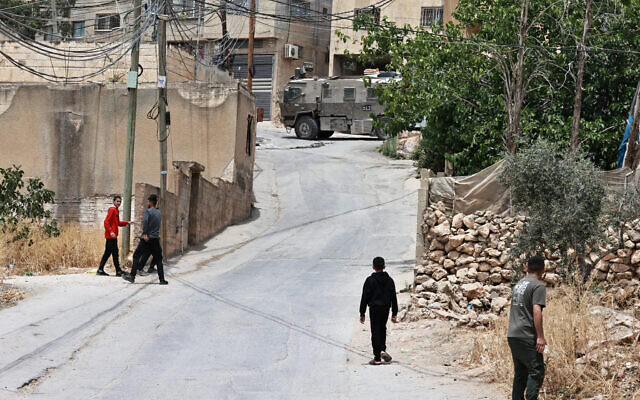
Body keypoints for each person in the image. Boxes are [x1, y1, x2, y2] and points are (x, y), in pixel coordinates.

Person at [507, 255, 547, 400]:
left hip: (513, 334)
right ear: (543, 269)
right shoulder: (538, 286)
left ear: (526, 267)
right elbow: (537, 310)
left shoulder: (519, 284)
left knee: (521, 373)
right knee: (536, 371)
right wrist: (540, 337)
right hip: (526, 335)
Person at [359, 256, 398, 365]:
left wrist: (362, 313)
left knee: (375, 330)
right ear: (384, 266)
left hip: (374, 308)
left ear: (373, 267)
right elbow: (393, 297)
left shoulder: (370, 280)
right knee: (382, 328)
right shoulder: (390, 280)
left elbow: (365, 297)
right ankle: (382, 349)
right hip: (385, 308)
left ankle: (377, 357)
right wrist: (394, 313)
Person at [122, 194, 168, 285]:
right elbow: (157, 225)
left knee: (136, 256)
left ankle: (132, 276)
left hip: (147, 238)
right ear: (156, 202)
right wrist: (156, 234)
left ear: (150, 202)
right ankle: (162, 280)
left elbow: (146, 222)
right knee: (158, 259)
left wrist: (145, 234)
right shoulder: (159, 213)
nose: (147, 203)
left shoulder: (148, 211)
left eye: (148, 201)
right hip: (155, 239)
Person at [97, 195, 133, 276]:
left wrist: (127, 222)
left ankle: (102, 269)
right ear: (113, 201)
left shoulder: (116, 211)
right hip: (111, 236)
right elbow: (106, 222)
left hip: (113, 236)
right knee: (114, 253)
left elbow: (118, 223)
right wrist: (111, 232)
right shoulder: (112, 209)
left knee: (110, 253)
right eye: (117, 201)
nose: (119, 203)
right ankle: (117, 271)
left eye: (120, 201)